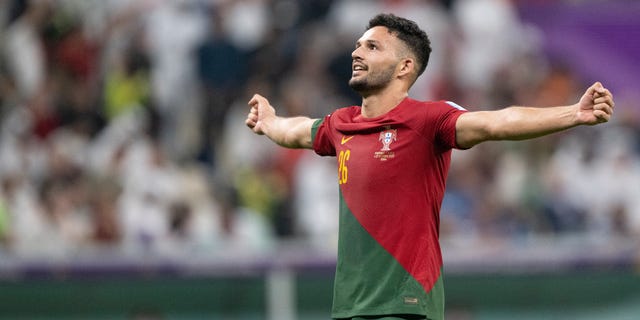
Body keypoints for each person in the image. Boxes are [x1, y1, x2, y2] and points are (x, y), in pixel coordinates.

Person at [245, 13, 614, 320]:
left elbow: (495, 122)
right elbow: (296, 131)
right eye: (358, 45)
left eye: (372, 46)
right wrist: (269, 122)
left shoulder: (427, 119)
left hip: (405, 306)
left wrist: (573, 113)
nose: (357, 52)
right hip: (348, 308)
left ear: (405, 66)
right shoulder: (342, 123)